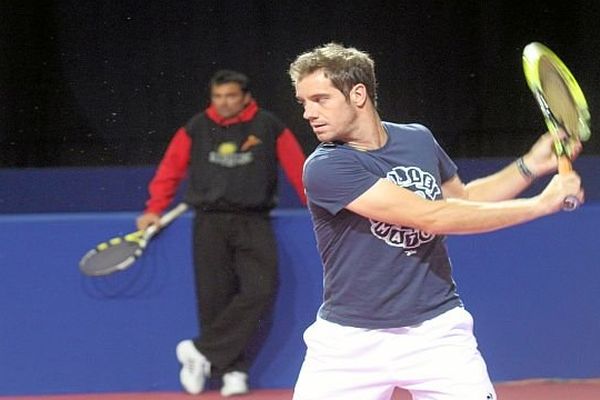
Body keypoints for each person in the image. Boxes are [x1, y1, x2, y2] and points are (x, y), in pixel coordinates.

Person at [288, 43, 583, 400]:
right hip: (349, 341)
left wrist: (530, 166)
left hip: (436, 331)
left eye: (320, 99)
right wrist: (541, 204)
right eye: (304, 102)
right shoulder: (326, 167)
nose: (308, 113)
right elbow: (432, 215)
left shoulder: (417, 139)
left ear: (359, 94)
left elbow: (463, 200)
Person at [136, 69, 307, 396]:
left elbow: (298, 169)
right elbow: (169, 170)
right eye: (218, 97)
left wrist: (319, 208)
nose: (224, 102)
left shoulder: (269, 125)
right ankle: (232, 372)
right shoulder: (196, 127)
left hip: (253, 219)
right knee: (214, 299)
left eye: (230, 96)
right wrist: (154, 208)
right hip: (209, 222)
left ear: (245, 96)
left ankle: (201, 352)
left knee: (261, 289)